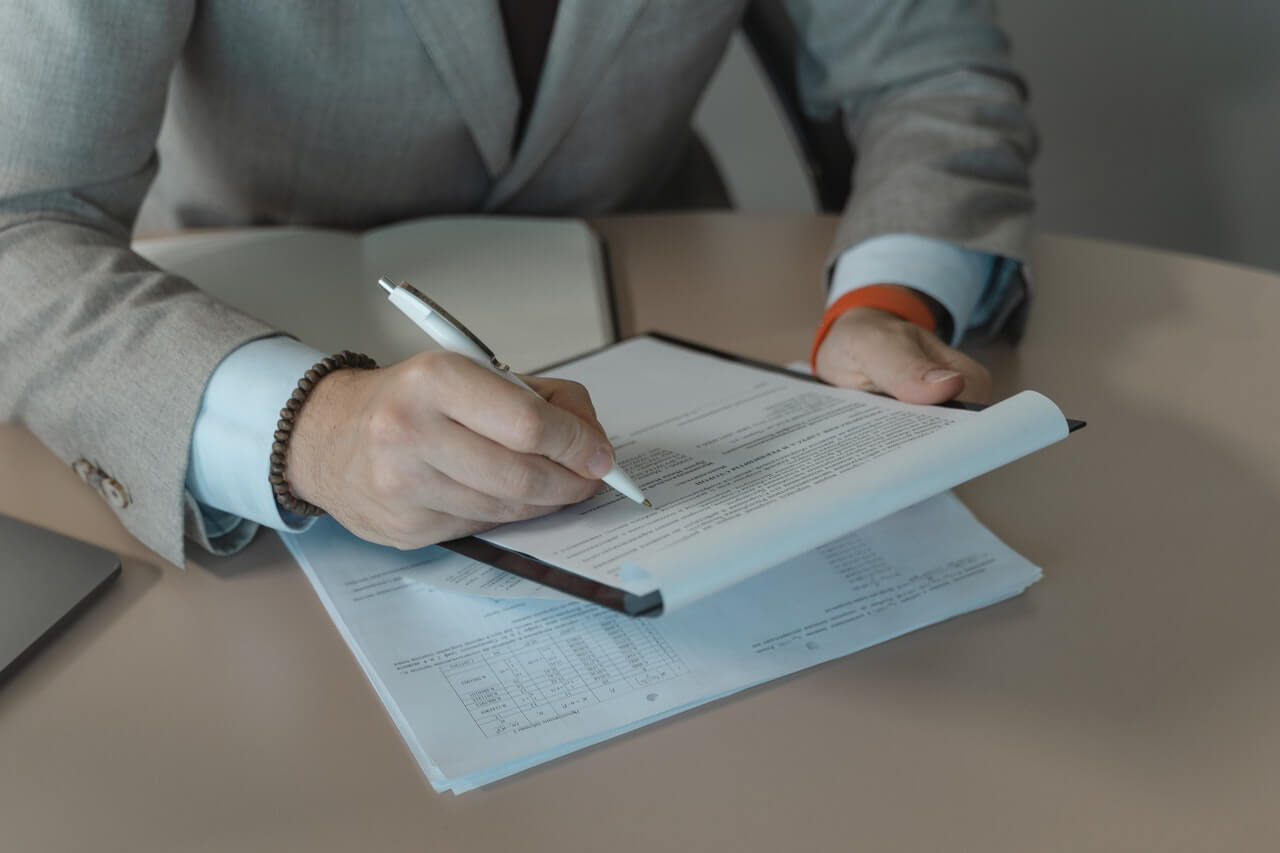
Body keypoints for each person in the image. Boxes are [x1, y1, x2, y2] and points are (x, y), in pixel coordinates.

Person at [0, 1, 1035, 567]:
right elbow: (17, 217)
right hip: (245, 325)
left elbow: (926, 73)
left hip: (663, 297)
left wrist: (888, 301)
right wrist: (303, 432)